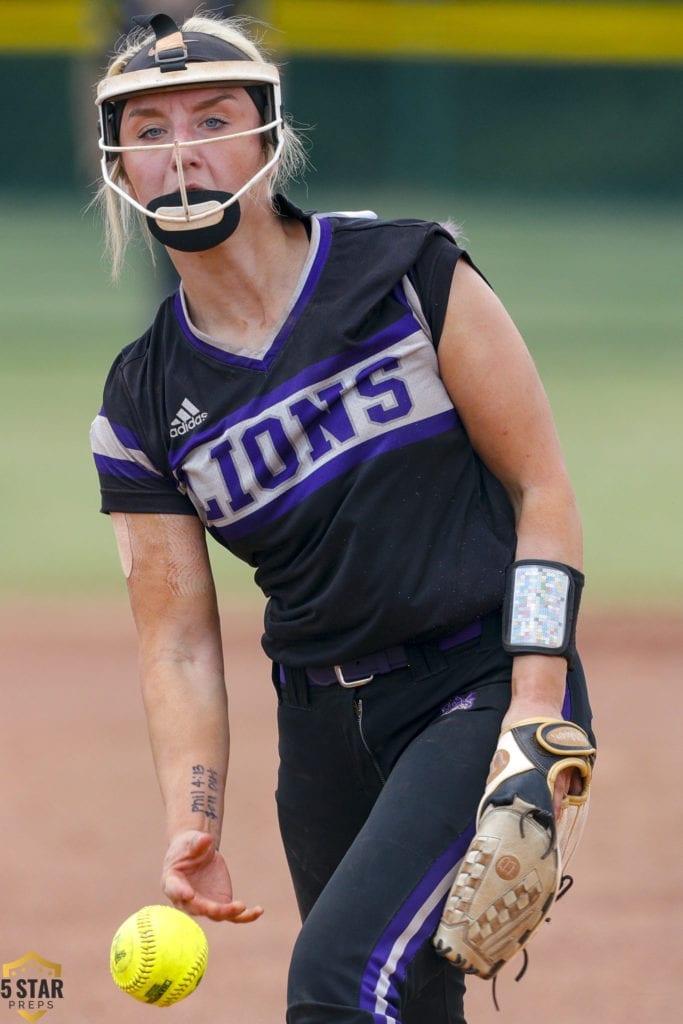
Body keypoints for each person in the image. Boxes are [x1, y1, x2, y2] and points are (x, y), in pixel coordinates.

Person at [89, 11, 595, 1023]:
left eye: (211, 116)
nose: (180, 147)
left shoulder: (408, 275)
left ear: (267, 137)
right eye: (147, 130)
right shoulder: (140, 401)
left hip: (473, 684)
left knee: (331, 985)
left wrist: (535, 709)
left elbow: (540, 489)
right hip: (321, 733)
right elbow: (179, 639)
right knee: (406, 1001)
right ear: (120, 165)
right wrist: (194, 816)